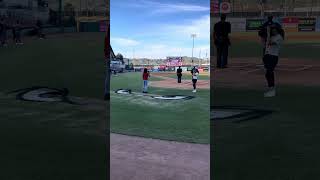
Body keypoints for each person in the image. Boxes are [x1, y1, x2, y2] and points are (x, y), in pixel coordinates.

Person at [263, 27, 283, 97]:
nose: (274, 31)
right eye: (272, 30)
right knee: (267, 73)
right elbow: (266, 45)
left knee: (270, 72)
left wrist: (268, 34)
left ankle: (272, 89)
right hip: (268, 55)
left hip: (273, 57)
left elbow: (270, 43)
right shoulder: (271, 36)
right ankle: (270, 87)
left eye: (275, 30)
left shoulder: (279, 37)